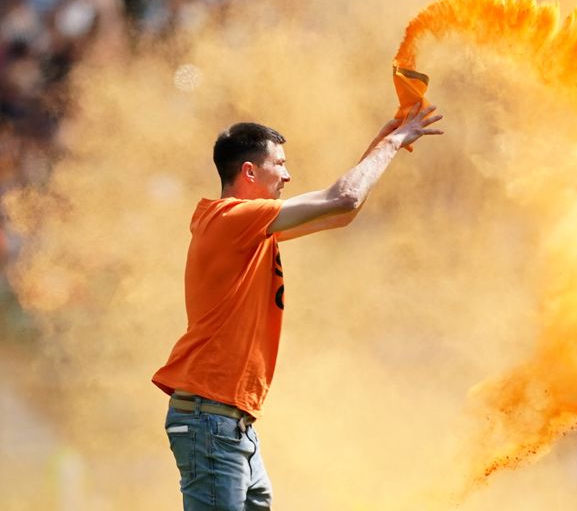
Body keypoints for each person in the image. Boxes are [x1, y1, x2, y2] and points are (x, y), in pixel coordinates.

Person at [152, 102, 442, 510]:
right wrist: (394, 141)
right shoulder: (232, 218)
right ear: (250, 171)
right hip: (211, 418)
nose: (288, 175)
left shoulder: (248, 227)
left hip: (230, 422)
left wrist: (381, 142)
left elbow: (342, 212)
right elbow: (343, 196)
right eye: (280, 165)